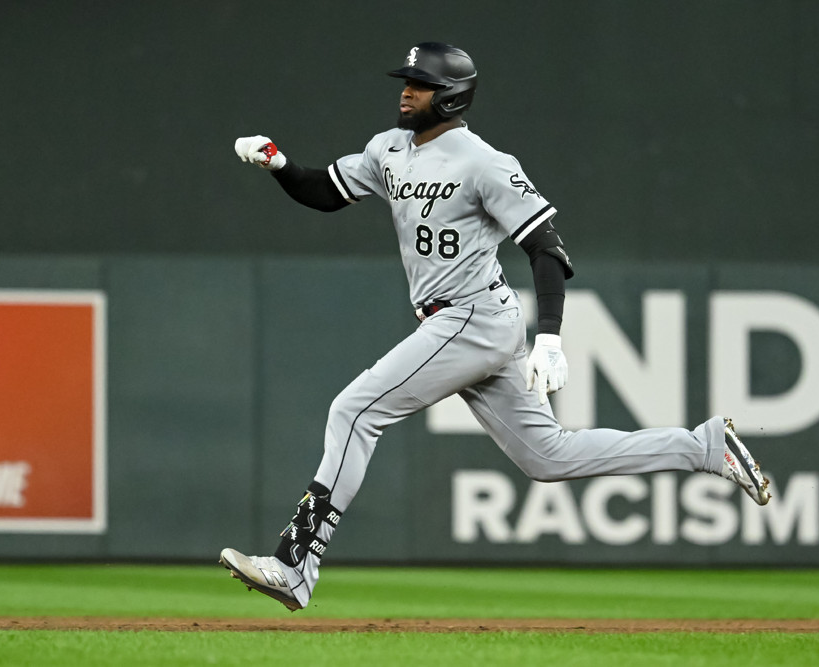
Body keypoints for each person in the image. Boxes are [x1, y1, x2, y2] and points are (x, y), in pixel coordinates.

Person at [220, 42, 770, 612]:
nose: (407, 90)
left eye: (421, 83)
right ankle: (702, 447)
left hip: (471, 316)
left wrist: (551, 335)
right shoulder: (387, 150)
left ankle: (294, 563)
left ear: (452, 96)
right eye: (406, 80)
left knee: (354, 409)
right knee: (548, 457)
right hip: (466, 321)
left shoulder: (484, 162)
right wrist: (279, 164)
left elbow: (546, 248)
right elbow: (325, 192)